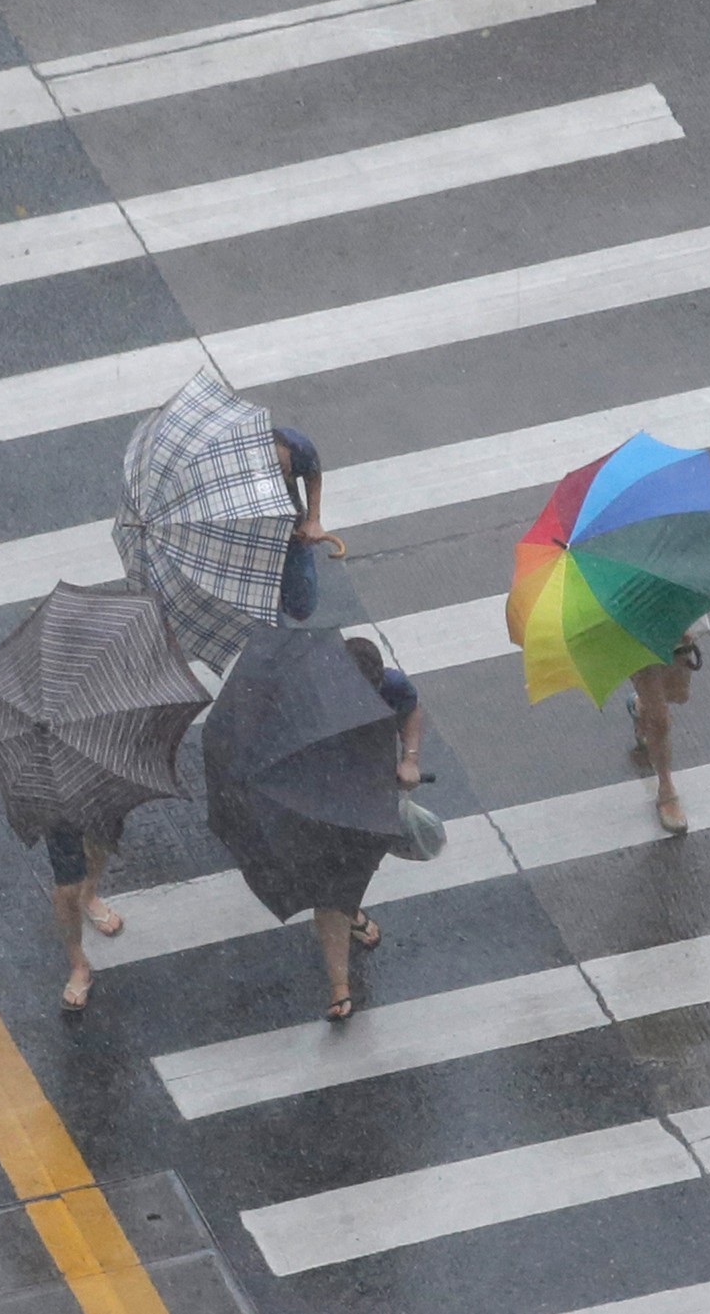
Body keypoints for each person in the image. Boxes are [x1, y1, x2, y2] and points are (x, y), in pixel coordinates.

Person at [297, 636, 427, 1023]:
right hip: (323, 805)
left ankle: (349, 908)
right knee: (330, 891)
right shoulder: (313, 699)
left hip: (370, 801)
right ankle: (340, 986)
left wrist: (411, 760)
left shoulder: (391, 685)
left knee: (353, 875)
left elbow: (412, 711)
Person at [625, 617, 710, 835]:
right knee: (661, 721)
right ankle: (666, 791)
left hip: (674, 630)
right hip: (634, 637)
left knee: (679, 695)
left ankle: (640, 706)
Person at [45, 818, 126, 1012]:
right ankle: (78, 963)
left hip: (100, 797)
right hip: (59, 808)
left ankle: (89, 894)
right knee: (68, 890)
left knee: (100, 845)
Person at [272, 425, 326, 622]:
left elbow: (313, 474)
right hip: (256, 531)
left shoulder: (299, 448)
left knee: (302, 605)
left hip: (292, 527)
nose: (279, 471)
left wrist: (313, 520)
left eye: (281, 466)